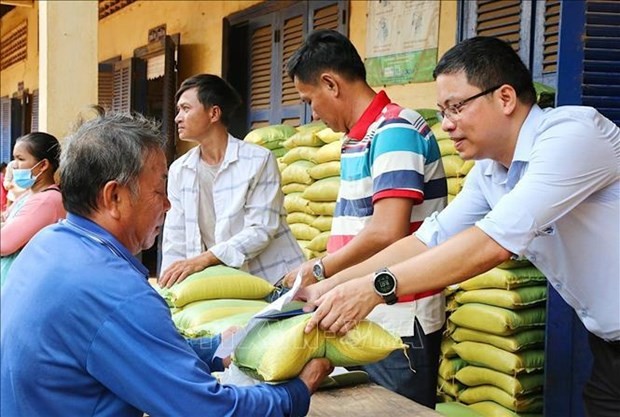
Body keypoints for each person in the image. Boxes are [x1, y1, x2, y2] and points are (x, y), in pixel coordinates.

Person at [298, 36, 620, 416]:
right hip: (608, 344)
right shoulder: (491, 171)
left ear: (504, 98)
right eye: (441, 111)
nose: (446, 125)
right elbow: (428, 239)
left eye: (456, 108)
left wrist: (375, 287)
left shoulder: (572, 135)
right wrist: (329, 285)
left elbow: (491, 245)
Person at [0, 112, 332, 417]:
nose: (168, 205)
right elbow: (208, 411)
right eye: (159, 190)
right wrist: (298, 390)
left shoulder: (48, 244)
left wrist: (216, 348)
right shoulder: (115, 291)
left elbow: (124, 346)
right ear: (114, 197)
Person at [283, 29, 448, 407]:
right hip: (363, 307)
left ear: (331, 84)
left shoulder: (395, 131)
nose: (313, 113)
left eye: (310, 100)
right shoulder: (362, 137)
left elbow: (386, 231)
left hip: (399, 316)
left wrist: (321, 271)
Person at [159, 74, 304, 287]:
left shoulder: (258, 160)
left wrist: (204, 260)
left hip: (275, 280)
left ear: (214, 113)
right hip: (221, 285)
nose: (177, 118)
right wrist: (169, 286)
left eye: (186, 109)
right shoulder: (179, 170)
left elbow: (261, 229)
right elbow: (175, 237)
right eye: (179, 110)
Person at [0, 132, 66, 285]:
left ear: (43, 165)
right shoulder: (29, 195)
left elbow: (4, 243)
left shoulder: (47, 201)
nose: (14, 165)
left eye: (20, 159)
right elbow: (6, 220)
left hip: (25, 282)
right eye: (14, 158)